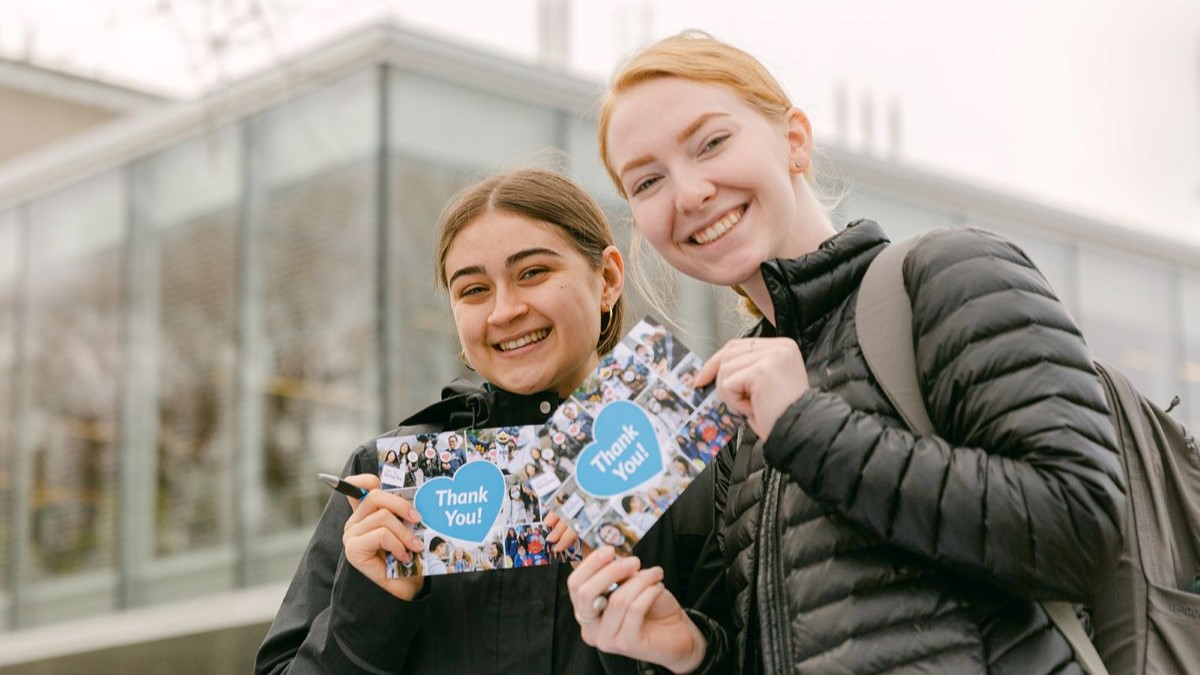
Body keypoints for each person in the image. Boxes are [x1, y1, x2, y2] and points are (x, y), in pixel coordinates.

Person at [566, 32, 1127, 675]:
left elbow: (1081, 529)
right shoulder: (733, 405)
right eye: (647, 180)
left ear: (794, 141)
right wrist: (690, 653)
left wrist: (807, 426)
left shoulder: (946, 275)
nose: (689, 192)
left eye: (711, 142)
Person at [254, 168, 719, 675]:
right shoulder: (389, 481)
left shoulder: (701, 456)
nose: (504, 311)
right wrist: (370, 607)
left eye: (533, 273)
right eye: (473, 290)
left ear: (606, 279)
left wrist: (680, 648)